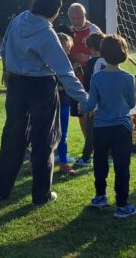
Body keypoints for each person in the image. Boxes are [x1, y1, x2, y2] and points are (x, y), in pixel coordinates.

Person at [0, 0, 88, 205]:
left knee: (12, 136)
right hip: (41, 86)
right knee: (44, 139)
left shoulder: (18, 20)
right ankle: (41, 194)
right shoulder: (47, 33)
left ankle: (1, 189)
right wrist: (84, 98)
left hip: (16, 85)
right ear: (54, 10)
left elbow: (4, 47)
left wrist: (7, 69)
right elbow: (65, 71)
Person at [81, 35, 136, 219]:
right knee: (122, 166)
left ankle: (100, 196)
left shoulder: (97, 77)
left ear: (103, 54)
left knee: (100, 163)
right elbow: (131, 103)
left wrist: (82, 106)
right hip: (122, 127)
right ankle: (122, 205)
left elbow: (90, 105)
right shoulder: (128, 78)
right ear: (124, 53)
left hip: (101, 127)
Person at [73, 31, 105, 169]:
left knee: (91, 131)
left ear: (91, 47)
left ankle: (86, 157)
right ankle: (108, 154)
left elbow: (88, 85)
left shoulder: (92, 63)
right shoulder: (109, 60)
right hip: (109, 101)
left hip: (95, 102)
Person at [54, 32, 77, 175]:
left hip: (64, 103)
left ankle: (63, 162)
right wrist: (57, 87)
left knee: (63, 134)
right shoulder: (48, 62)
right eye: (66, 49)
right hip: (50, 104)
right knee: (46, 134)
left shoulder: (68, 62)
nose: (68, 52)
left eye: (69, 49)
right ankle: (35, 161)